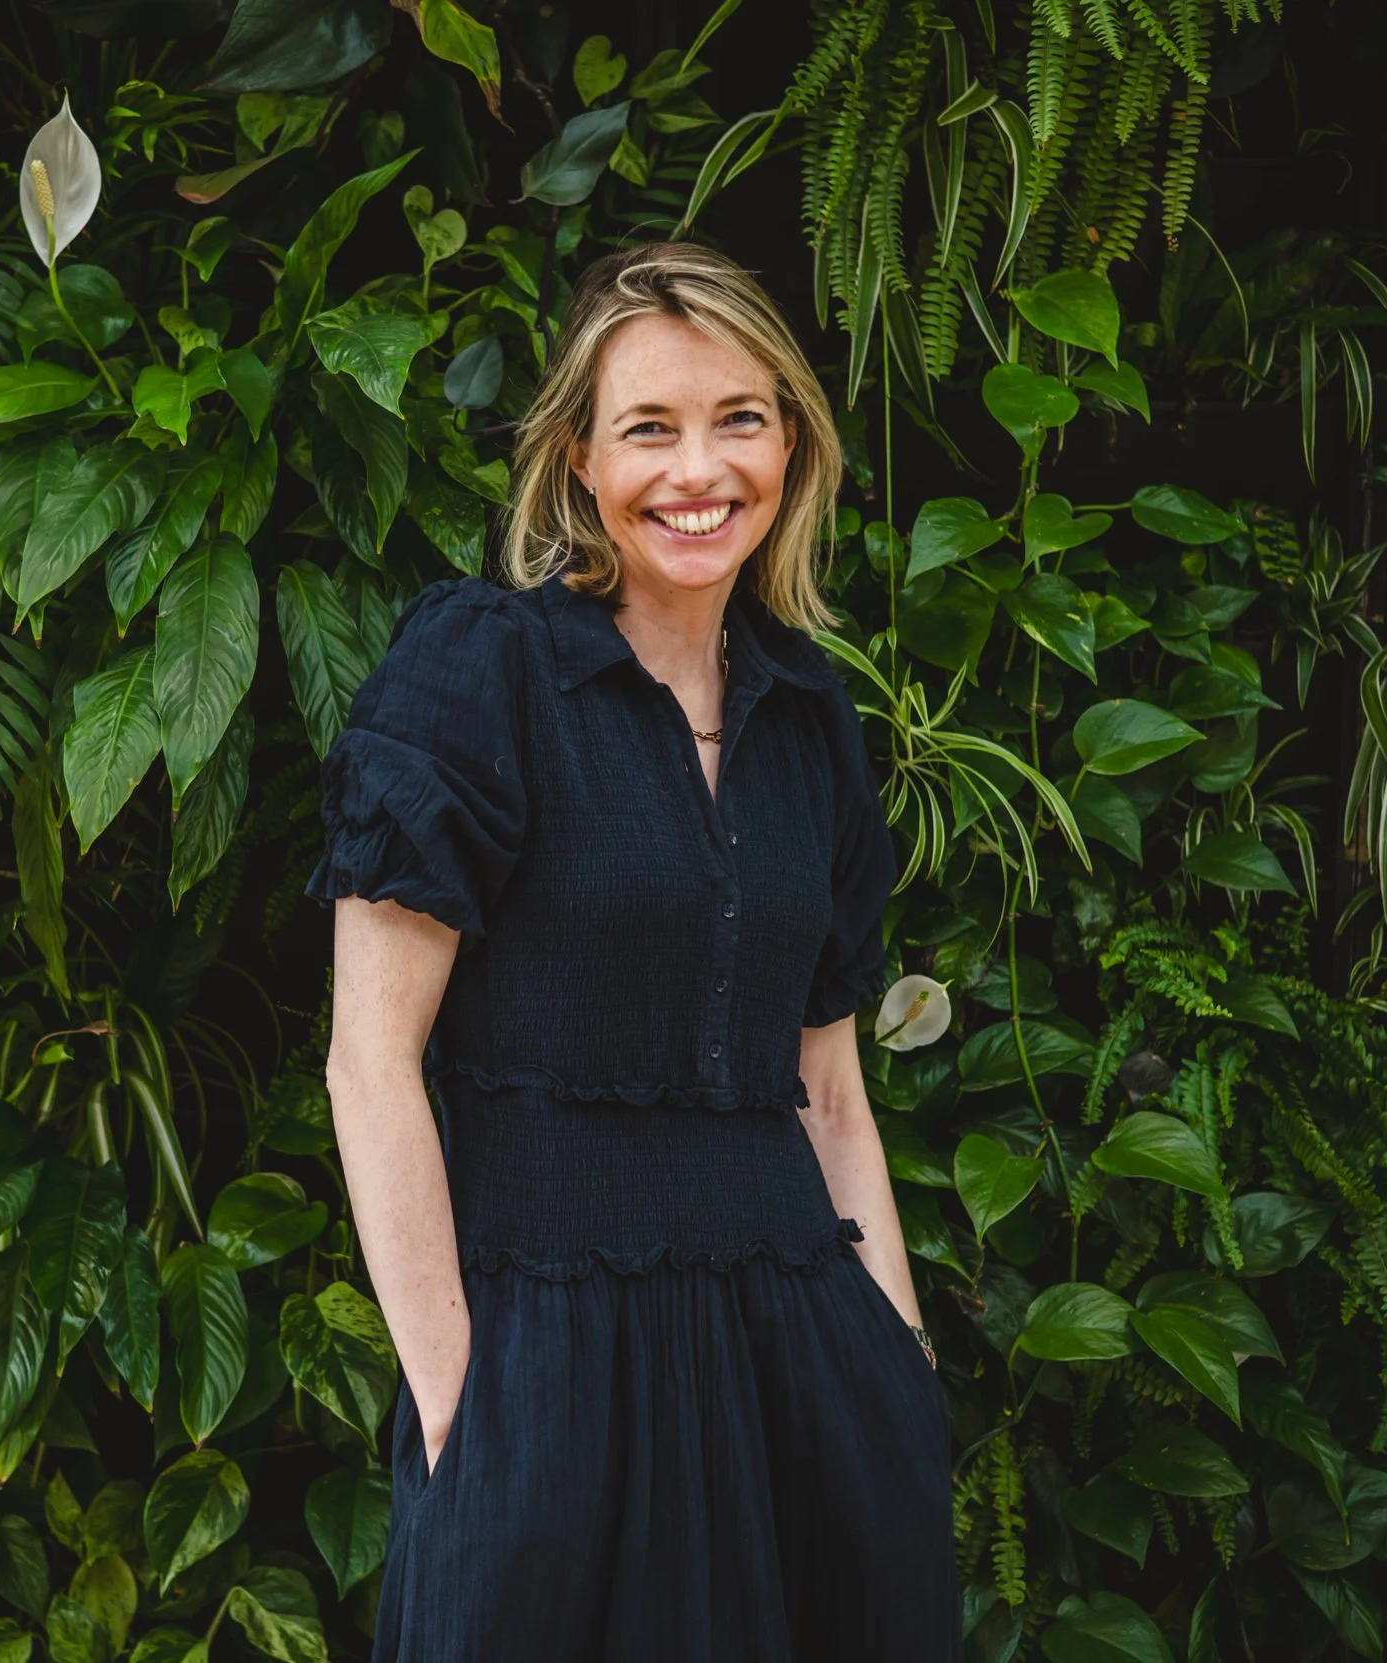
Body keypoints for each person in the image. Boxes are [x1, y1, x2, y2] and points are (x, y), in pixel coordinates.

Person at [305, 241, 957, 1663]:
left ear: (791, 444)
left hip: (803, 1374)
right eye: (648, 428)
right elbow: (370, 1063)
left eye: (740, 419)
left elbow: (830, 1092)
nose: (697, 470)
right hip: (544, 1374)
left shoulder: (810, 719)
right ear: (580, 462)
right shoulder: (483, 674)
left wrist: (900, 1362)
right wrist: (458, 1404)